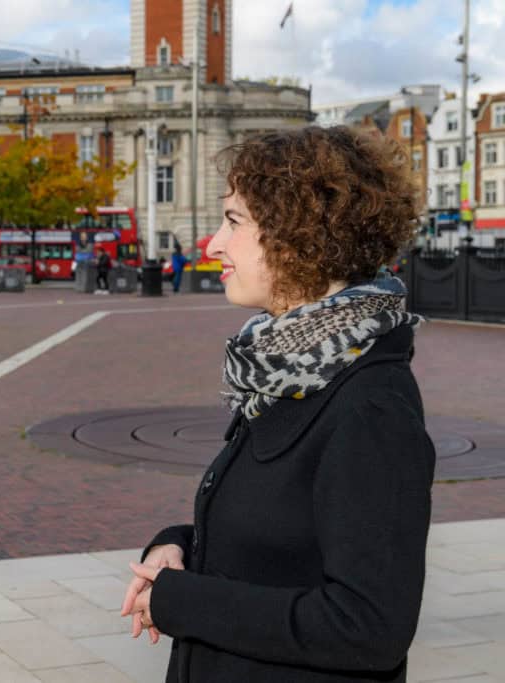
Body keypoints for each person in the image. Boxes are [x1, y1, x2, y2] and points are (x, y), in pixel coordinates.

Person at [120, 126, 434, 682]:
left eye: (234, 222)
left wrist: (185, 603)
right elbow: (283, 545)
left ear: (300, 235)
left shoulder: (369, 405)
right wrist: (179, 546)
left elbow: (368, 627)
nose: (213, 244)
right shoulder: (287, 369)